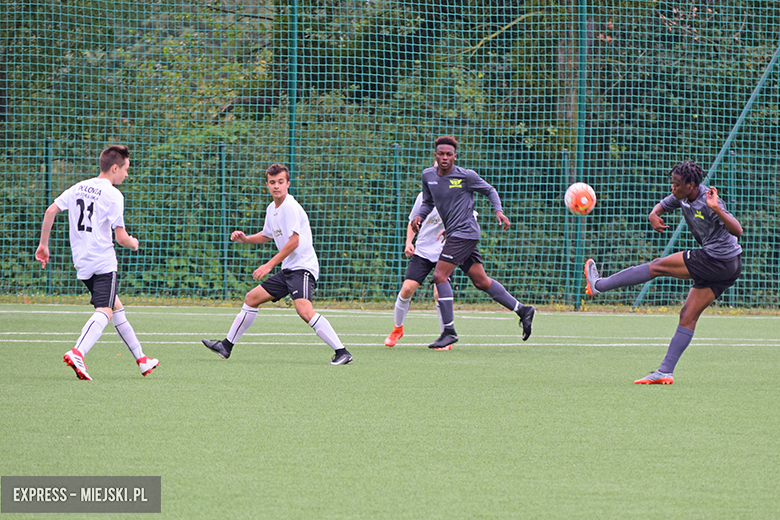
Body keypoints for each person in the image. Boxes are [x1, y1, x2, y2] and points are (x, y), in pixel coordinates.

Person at [584, 160, 743, 385]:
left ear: (691, 185)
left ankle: (598, 285)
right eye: (672, 183)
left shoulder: (708, 201)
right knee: (688, 315)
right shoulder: (682, 196)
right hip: (729, 266)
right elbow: (664, 205)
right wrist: (653, 214)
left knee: (658, 266)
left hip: (718, 259)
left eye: (676, 184)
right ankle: (664, 372)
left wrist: (717, 208)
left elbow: (737, 230)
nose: (672, 188)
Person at [202, 163, 353, 365]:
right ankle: (226, 346)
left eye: (280, 182)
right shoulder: (272, 208)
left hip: (303, 267)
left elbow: (294, 241)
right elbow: (266, 235)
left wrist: (269, 265)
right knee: (252, 298)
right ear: (267, 185)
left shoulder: (290, 206)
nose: (276, 186)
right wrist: (245, 239)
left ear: (287, 184)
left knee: (304, 311)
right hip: (289, 269)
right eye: (272, 182)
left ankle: (342, 352)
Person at [35, 145, 159, 380]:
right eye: (126, 169)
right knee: (106, 310)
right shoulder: (114, 195)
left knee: (116, 306)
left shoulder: (79, 187)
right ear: (115, 168)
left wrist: (43, 245)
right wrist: (134, 243)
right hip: (103, 262)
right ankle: (78, 352)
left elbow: (51, 211)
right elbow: (121, 238)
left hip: (82, 262)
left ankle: (142, 359)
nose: (127, 174)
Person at [410, 135, 536, 349]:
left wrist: (499, 210)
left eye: (449, 154)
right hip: (457, 234)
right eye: (441, 153)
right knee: (481, 281)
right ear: (435, 155)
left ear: (455, 157)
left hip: (464, 233)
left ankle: (448, 331)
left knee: (440, 275)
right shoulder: (428, 176)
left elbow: (490, 190)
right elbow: (429, 202)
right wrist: (419, 216)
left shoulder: (466, 176)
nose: (444, 157)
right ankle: (523, 310)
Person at [385, 190, 471, 351]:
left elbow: (469, 219)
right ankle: (398, 329)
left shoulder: (458, 196)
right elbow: (412, 222)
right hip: (423, 252)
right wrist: (409, 243)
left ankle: (446, 336)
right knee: (407, 289)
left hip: (446, 252)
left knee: (439, 293)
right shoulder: (423, 197)